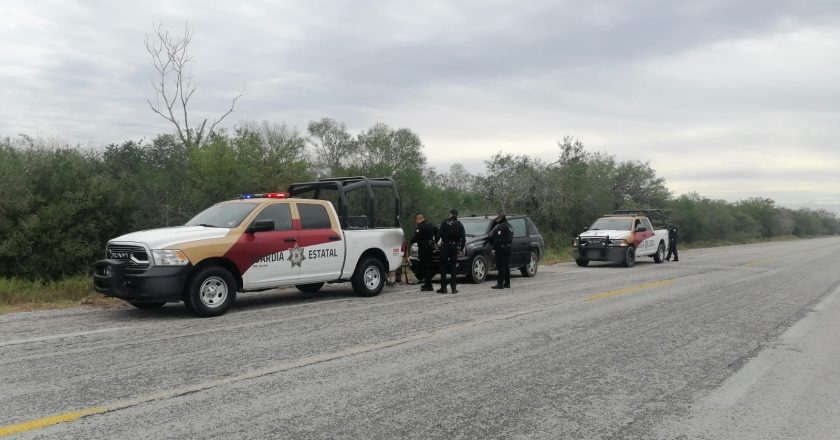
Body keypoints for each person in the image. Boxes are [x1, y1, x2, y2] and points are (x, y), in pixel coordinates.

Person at [437, 208, 465, 294]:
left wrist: (435, 243)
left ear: (452, 214)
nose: (448, 215)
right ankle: (453, 288)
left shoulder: (444, 223)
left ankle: (443, 288)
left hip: (445, 246)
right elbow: (463, 238)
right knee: (453, 268)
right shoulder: (459, 224)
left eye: (449, 214)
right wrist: (460, 249)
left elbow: (439, 234)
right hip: (454, 247)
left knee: (443, 267)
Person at [409, 213, 437, 291]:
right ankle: (427, 284)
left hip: (424, 248)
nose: (416, 222)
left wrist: (410, 242)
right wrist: (435, 241)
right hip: (430, 248)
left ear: (419, 219)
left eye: (416, 220)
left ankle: (429, 286)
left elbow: (417, 237)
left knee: (425, 267)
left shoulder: (420, 226)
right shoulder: (431, 225)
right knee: (427, 266)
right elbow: (437, 232)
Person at [487, 214, 513, 289]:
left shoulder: (501, 227)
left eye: (497, 218)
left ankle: (500, 284)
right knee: (506, 266)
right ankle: (507, 283)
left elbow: (498, 239)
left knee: (501, 267)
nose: (496, 220)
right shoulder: (508, 225)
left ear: (501, 218)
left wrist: (494, 248)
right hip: (507, 247)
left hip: (501, 249)